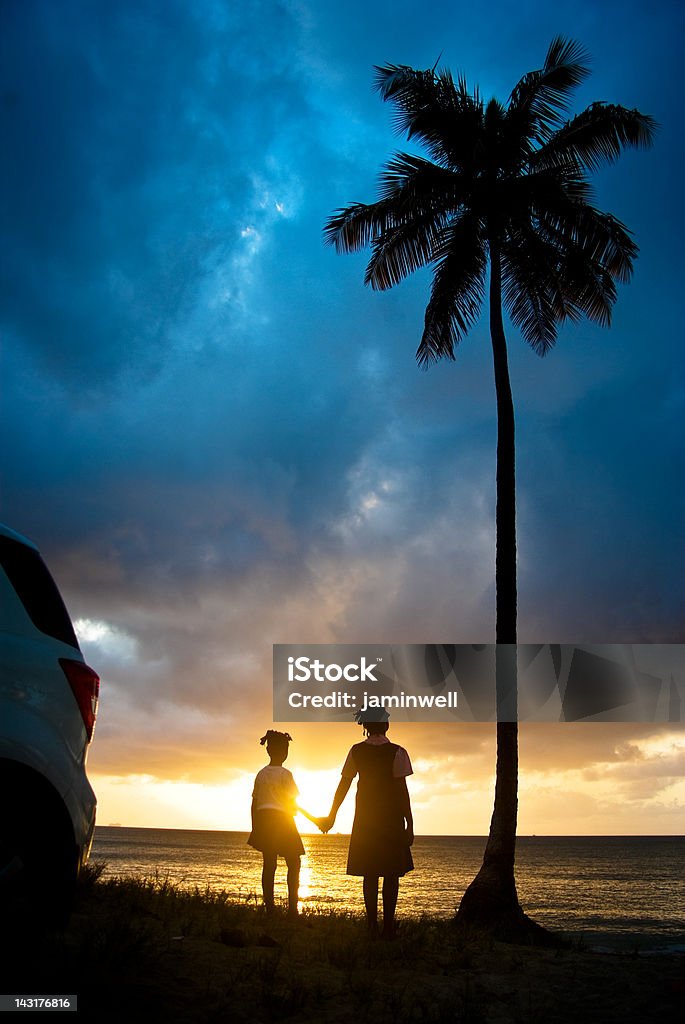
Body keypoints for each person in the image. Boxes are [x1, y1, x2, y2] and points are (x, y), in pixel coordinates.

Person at [320, 711, 414, 938]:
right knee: (391, 873)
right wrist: (409, 824)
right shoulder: (398, 752)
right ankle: (388, 927)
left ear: (366, 726)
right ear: (386, 725)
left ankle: (371, 925)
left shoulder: (356, 751)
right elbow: (402, 792)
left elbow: (344, 785)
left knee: (370, 874)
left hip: (365, 819)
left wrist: (332, 815)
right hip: (390, 819)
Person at [248, 729, 318, 919]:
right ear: (284, 752)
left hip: (264, 821)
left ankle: (270, 908)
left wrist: (255, 828)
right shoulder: (286, 774)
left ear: (268, 750)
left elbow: (254, 804)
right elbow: (292, 802)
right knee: (294, 862)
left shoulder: (261, 774)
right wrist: (314, 819)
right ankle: (292, 910)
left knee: (269, 864)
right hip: (283, 820)